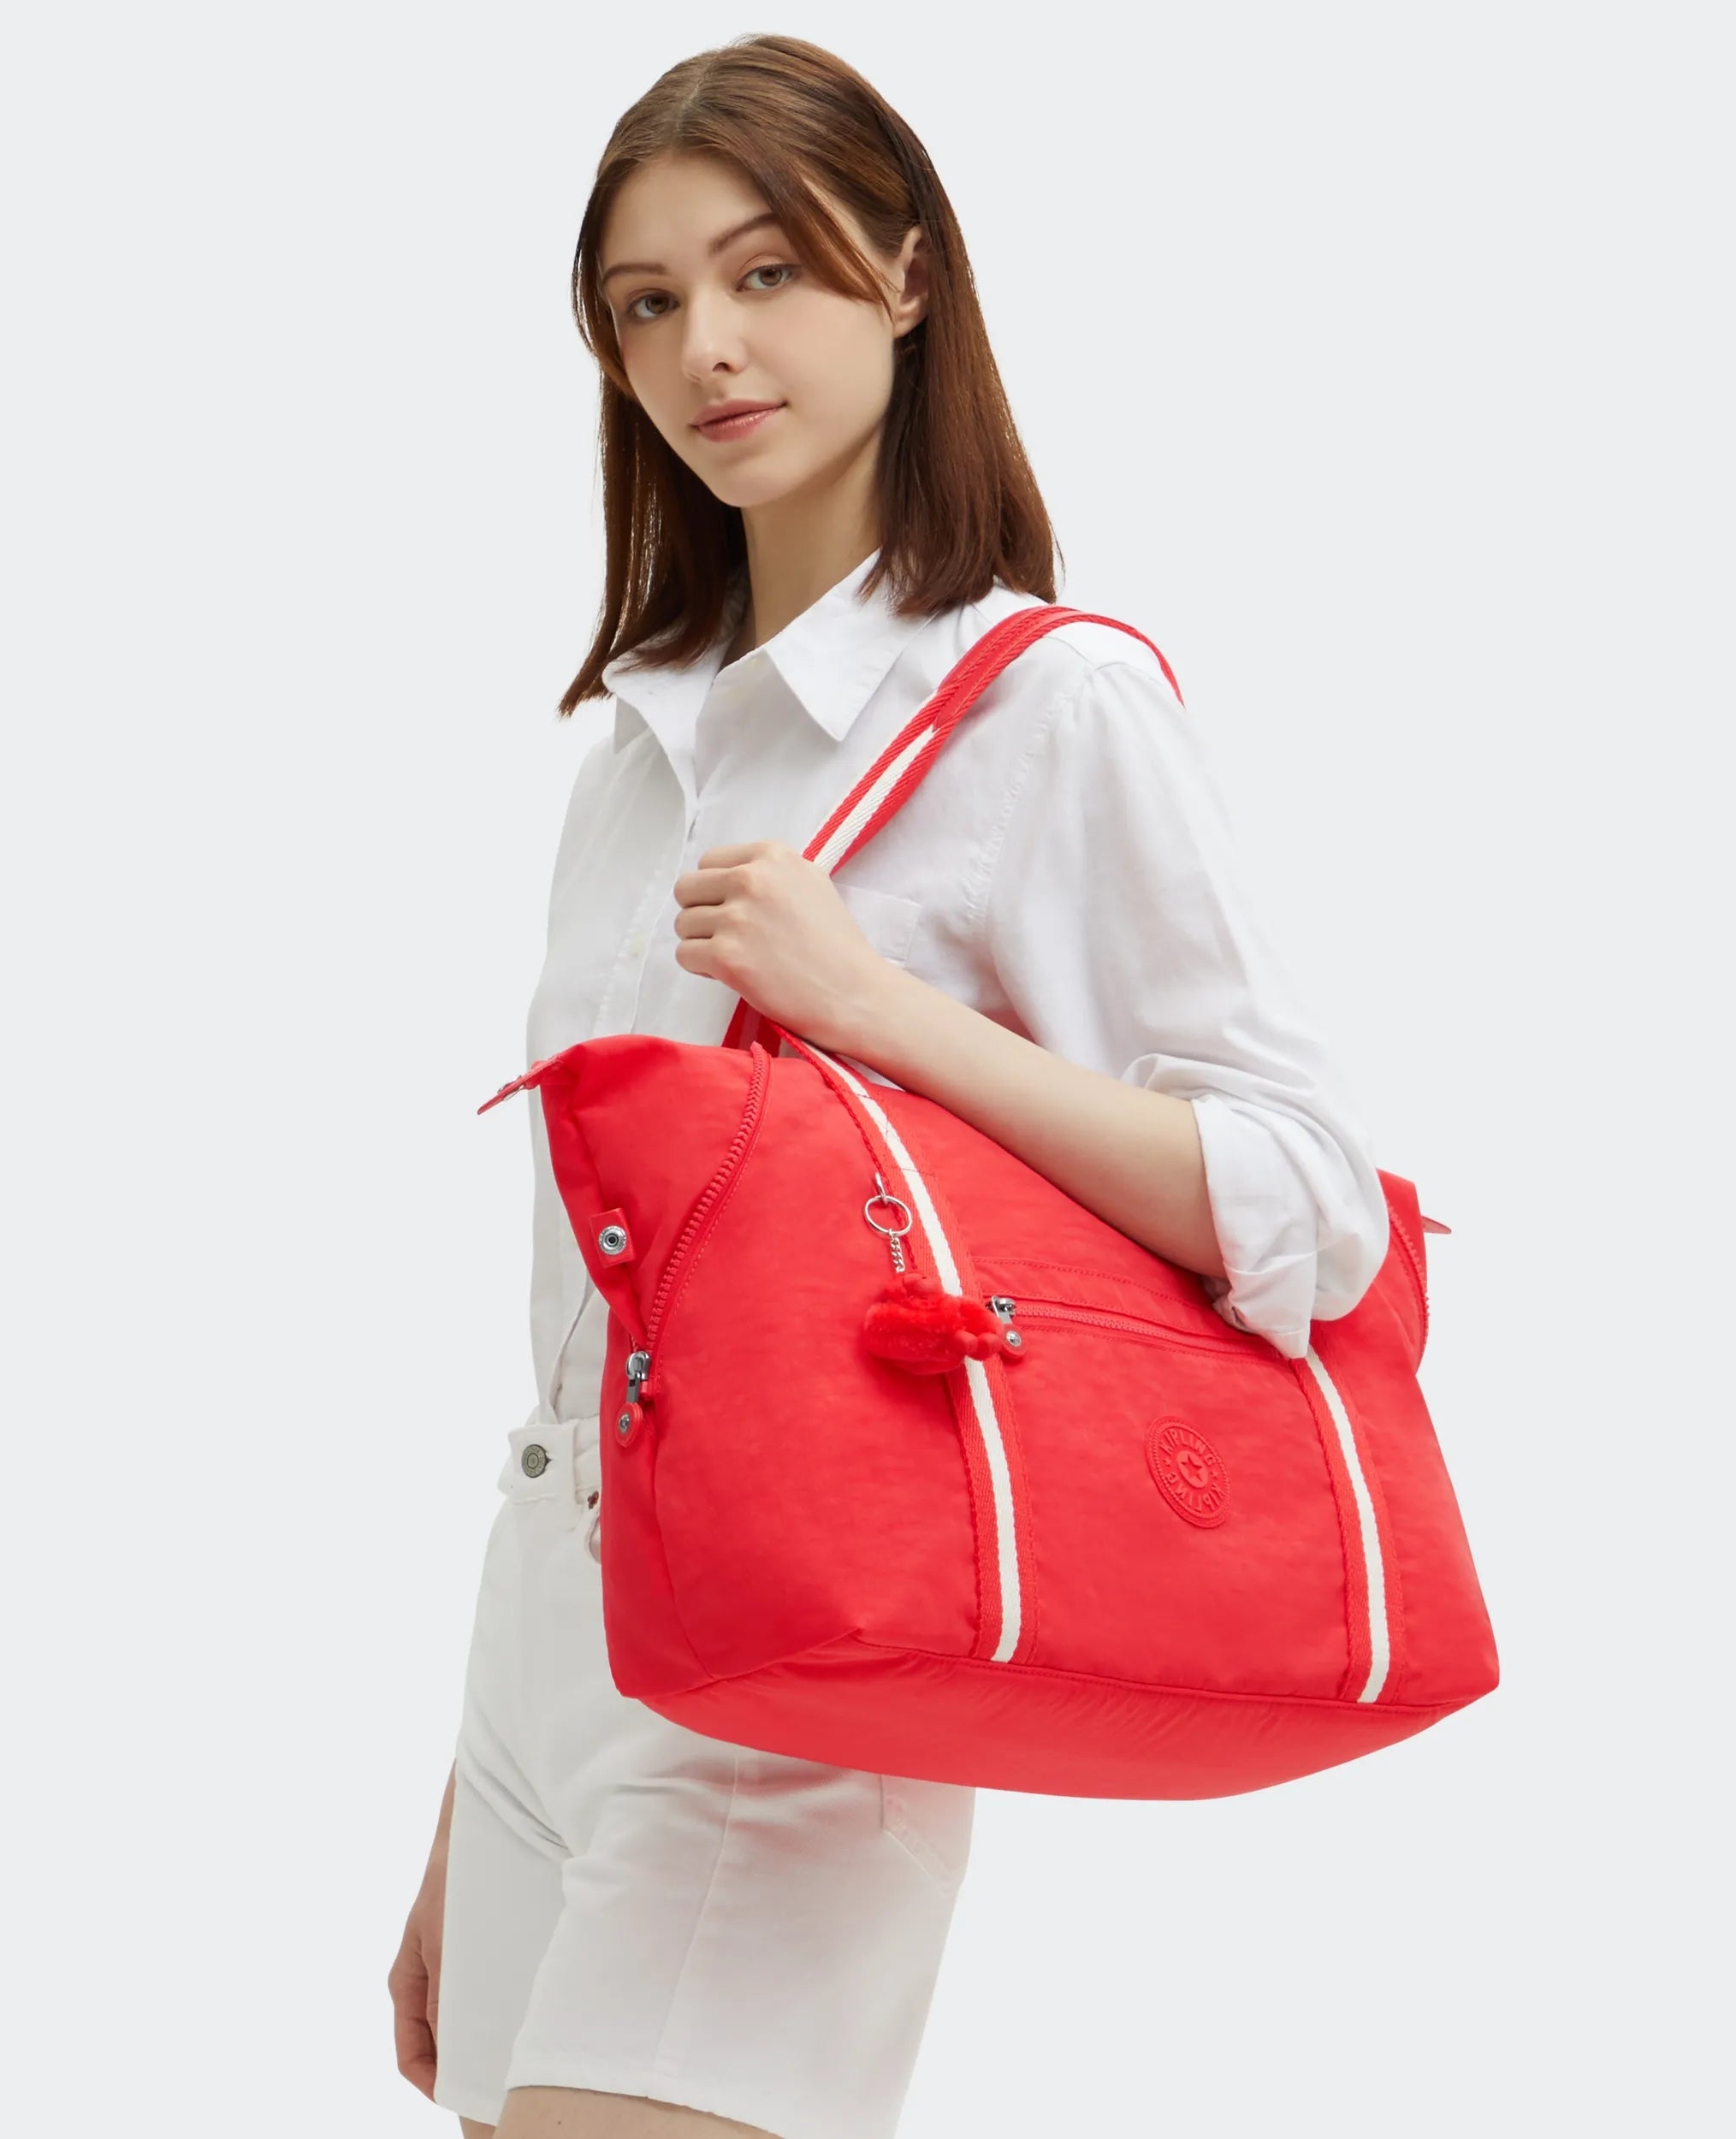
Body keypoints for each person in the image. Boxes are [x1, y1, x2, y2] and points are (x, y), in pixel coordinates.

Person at [389, 33, 1389, 2139]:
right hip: (546, 1653)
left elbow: (1309, 1203)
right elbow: (594, 1323)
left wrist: (878, 1007)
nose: (704, 346)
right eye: (646, 302)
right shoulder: (633, 754)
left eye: (765, 272)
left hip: (795, 1694)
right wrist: (471, 1801)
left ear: (907, 277)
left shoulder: (1047, 703)